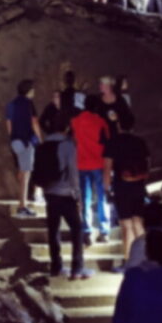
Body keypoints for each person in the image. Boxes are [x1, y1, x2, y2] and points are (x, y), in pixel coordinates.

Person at [35, 113, 90, 280]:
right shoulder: (67, 145)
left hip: (50, 193)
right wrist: (78, 196)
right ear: (66, 128)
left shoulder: (43, 145)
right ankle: (77, 268)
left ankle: (56, 267)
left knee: (53, 230)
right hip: (66, 194)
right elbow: (73, 173)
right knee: (77, 229)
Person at [103, 112, 150, 262]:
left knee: (126, 224)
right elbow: (148, 164)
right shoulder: (140, 142)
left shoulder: (113, 142)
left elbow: (107, 168)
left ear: (118, 125)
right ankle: (144, 257)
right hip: (138, 185)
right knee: (138, 221)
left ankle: (130, 260)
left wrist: (106, 188)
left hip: (121, 186)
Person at [73, 95, 111, 247]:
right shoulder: (101, 121)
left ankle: (87, 231)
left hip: (82, 163)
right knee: (102, 197)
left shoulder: (75, 121)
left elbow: (74, 139)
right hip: (99, 163)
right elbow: (107, 140)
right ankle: (104, 231)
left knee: (85, 199)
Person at [6, 80, 44, 217]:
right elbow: (34, 123)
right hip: (26, 141)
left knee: (22, 172)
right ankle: (22, 206)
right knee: (26, 175)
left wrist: (12, 139)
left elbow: (9, 125)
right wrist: (40, 139)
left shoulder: (11, 104)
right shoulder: (29, 104)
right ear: (29, 91)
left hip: (15, 141)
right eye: (33, 89)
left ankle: (22, 203)